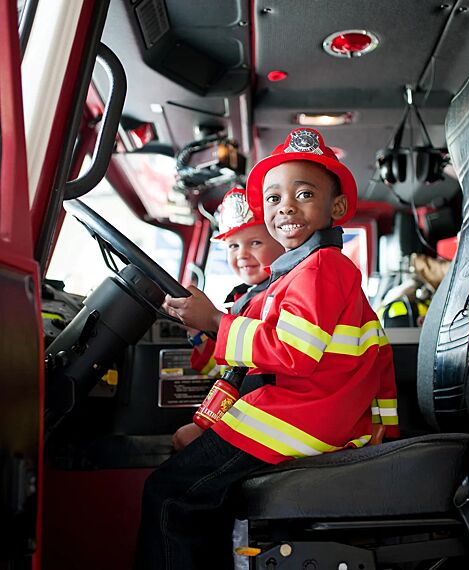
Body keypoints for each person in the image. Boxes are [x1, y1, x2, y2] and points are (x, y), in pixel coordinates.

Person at [135, 128, 398, 570]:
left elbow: (291, 353)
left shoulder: (321, 269)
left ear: (335, 208)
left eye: (304, 193)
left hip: (302, 417)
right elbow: (248, 370)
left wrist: (217, 322)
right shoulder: (296, 275)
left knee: (170, 494)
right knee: (202, 496)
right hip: (301, 411)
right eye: (274, 199)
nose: (286, 207)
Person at [171, 187, 284, 451]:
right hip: (244, 405)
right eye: (233, 245)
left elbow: (243, 374)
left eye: (255, 243)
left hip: (263, 414)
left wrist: (205, 424)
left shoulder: (278, 297)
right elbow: (221, 367)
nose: (241, 254)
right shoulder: (244, 299)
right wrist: (197, 333)